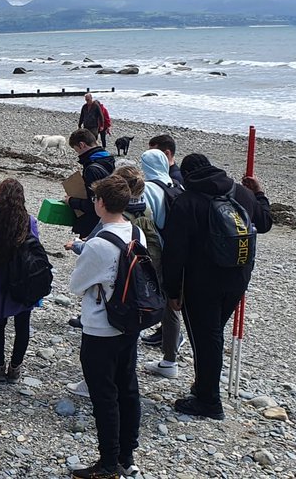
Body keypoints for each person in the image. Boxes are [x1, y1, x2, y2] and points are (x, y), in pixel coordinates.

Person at [163, 154, 272, 420]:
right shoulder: (242, 193)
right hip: (238, 278)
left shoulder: (186, 201)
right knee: (212, 335)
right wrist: (259, 193)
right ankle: (204, 386)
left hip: (201, 283)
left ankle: (208, 400)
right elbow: (266, 223)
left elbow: (174, 252)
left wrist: (172, 291)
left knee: (206, 339)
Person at [68, 176, 145, 479]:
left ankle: (108, 462)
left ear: (100, 203)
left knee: (104, 395)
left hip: (102, 325)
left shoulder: (99, 243)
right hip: (130, 321)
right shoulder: (135, 231)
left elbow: (77, 284)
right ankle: (127, 454)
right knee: (127, 387)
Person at [0, 178, 40, 384]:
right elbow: (36, 249)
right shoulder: (28, 221)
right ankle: (15, 368)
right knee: (22, 324)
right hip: (22, 277)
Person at [139, 149, 185, 362]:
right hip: (176, 250)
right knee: (172, 304)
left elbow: (143, 219)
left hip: (154, 251)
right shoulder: (177, 185)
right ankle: (170, 357)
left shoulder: (148, 188)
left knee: (144, 297)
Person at [67, 129, 116, 238]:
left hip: (94, 223)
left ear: (81, 145)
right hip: (112, 218)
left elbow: (92, 203)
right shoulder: (110, 160)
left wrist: (71, 201)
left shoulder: (91, 169)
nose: (78, 154)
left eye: (76, 150)